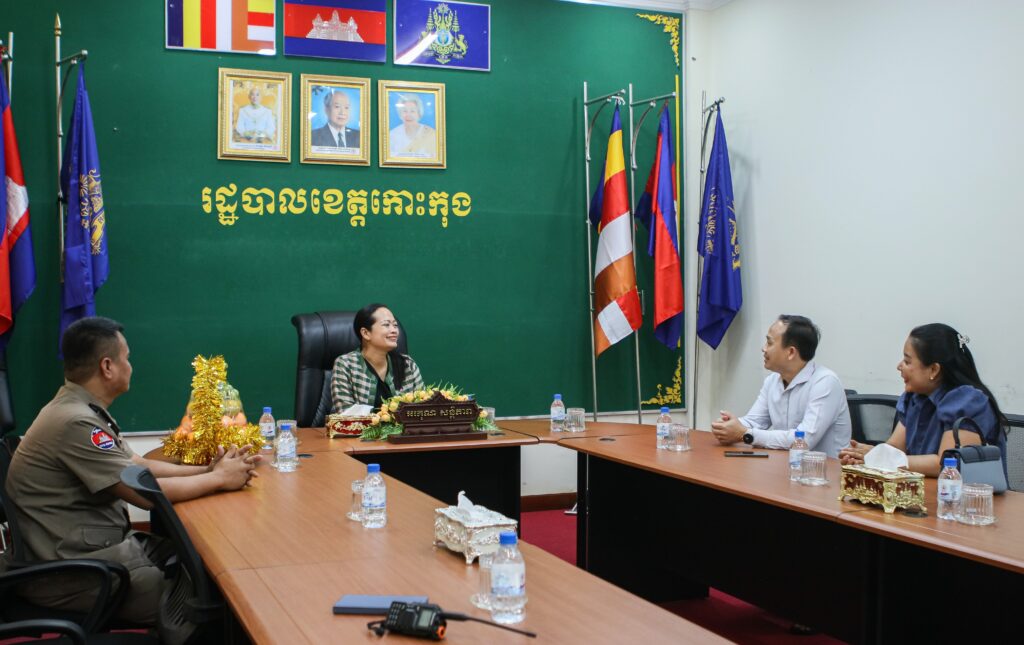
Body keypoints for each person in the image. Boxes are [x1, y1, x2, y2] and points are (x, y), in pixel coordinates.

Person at [3, 317, 259, 625]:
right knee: (208, 605)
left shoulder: (80, 409)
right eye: (127, 358)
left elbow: (138, 466)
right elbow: (144, 495)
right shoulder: (75, 422)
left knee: (201, 563)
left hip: (84, 550)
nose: (131, 366)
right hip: (71, 573)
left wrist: (208, 469)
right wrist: (219, 479)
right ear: (107, 366)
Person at [839, 323, 1006, 477]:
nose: (899, 366)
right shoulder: (914, 397)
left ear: (933, 369)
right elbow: (895, 448)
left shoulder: (968, 402)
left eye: (907, 361)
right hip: (922, 491)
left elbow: (947, 464)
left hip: (968, 496)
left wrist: (884, 459)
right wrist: (869, 454)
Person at [711, 315, 852, 457]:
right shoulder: (772, 381)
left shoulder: (825, 382)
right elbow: (754, 421)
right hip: (785, 464)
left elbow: (804, 440)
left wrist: (745, 434)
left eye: (769, 343)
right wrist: (728, 426)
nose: (763, 349)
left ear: (790, 352)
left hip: (824, 469)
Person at [331, 304, 425, 412]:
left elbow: (423, 408)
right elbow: (345, 412)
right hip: (363, 424)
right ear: (366, 333)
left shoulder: (408, 364)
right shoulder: (345, 365)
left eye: (395, 325)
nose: (394, 330)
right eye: (386, 325)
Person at [388, 93, 436, 158]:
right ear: (400, 114)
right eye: (405, 111)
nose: (408, 115)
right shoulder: (392, 135)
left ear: (419, 113)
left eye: (412, 111)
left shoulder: (430, 134)